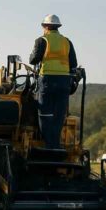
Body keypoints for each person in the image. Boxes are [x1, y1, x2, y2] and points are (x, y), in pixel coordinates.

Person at [29, 14, 78, 149]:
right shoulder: (67, 42)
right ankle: (56, 144)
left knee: (44, 113)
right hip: (64, 82)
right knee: (59, 114)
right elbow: (73, 63)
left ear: (46, 27)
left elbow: (33, 60)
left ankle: (48, 145)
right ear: (58, 27)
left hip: (47, 80)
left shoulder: (42, 40)